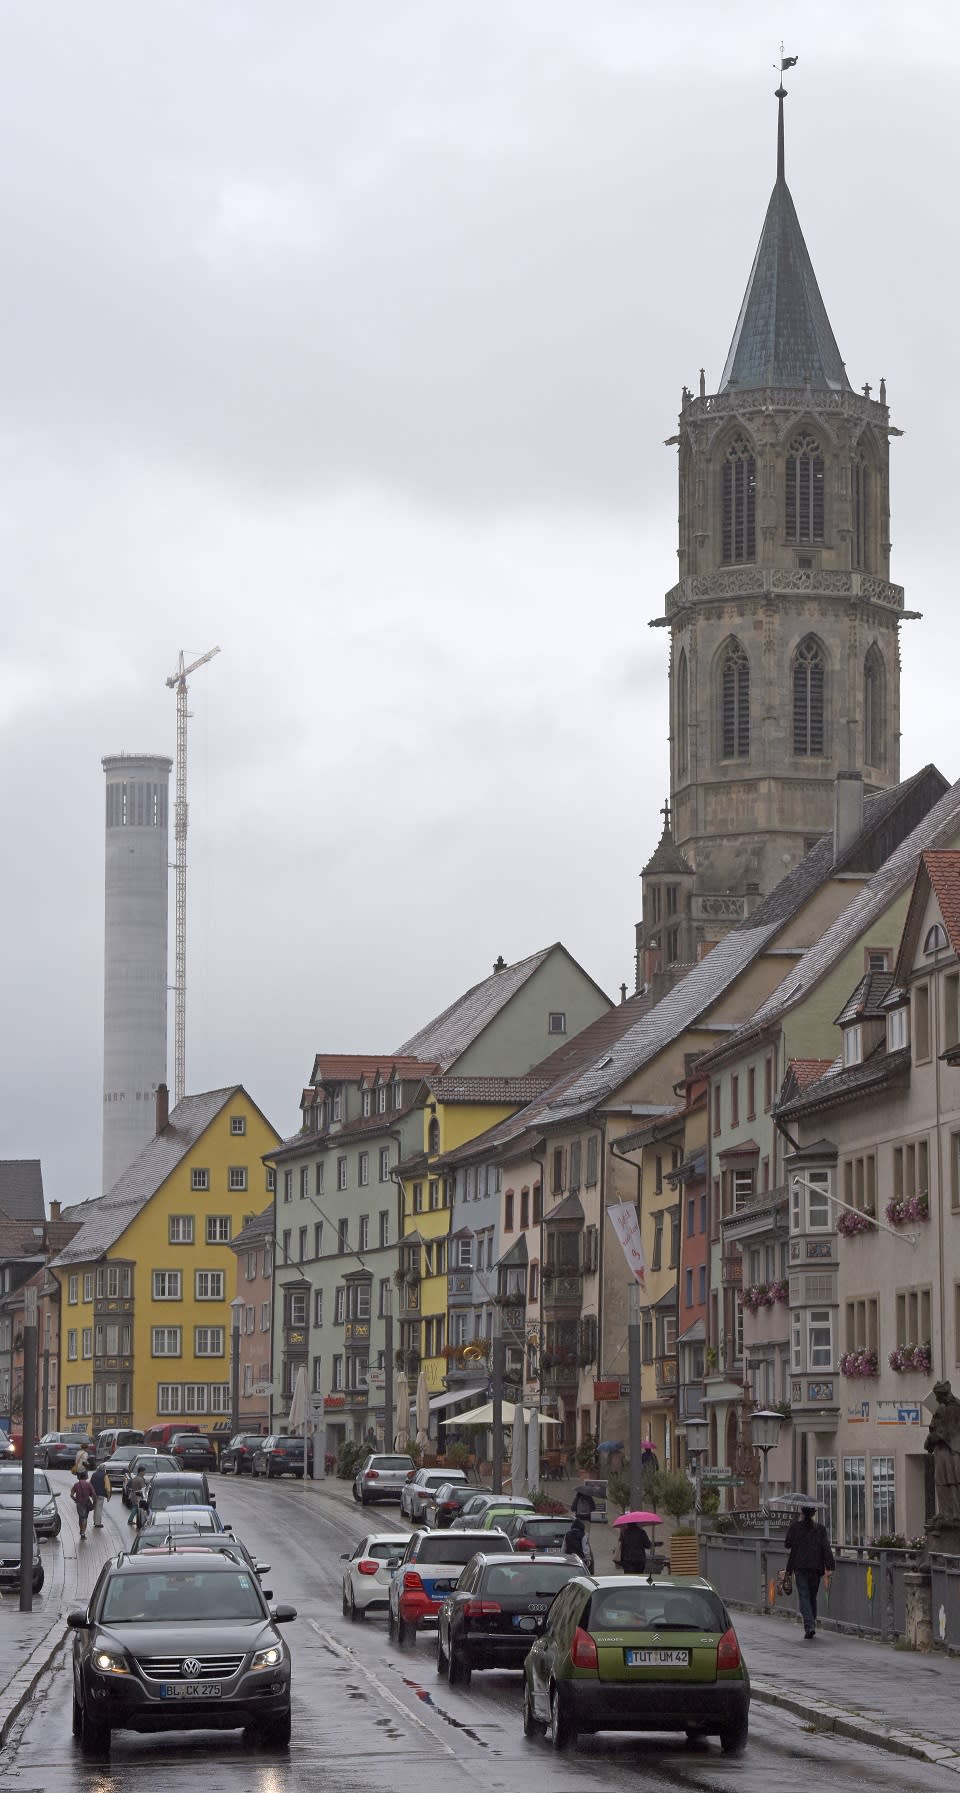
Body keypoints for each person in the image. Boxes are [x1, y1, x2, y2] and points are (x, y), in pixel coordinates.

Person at [784, 1502, 835, 1639]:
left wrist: (793, 1530)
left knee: (804, 1596)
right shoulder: (820, 1529)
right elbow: (826, 1548)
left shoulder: (795, 1527)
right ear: (813, 1514)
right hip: (816, 1567)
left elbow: (787, 1544)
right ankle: (811, 1623)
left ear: (802, 1512)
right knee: (812, 1596)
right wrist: (830, 1567)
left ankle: (810, 1625)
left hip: (800, 1566)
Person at [924, 1381, 960, 1523]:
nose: (936, 1399)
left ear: (941, 1395)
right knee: (954, 1482)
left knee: (944, 1481)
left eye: (937, 1397)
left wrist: (929, 1442)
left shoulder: (944, 1409)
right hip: (955, 1450)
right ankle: (952, 1512)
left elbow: (937, 1430)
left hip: (946, 1451)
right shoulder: (956, 1406)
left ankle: (948, 1513)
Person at [70, 1468, 95, 1540]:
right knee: (85, 1518)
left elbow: (71, 1495)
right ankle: (83, 1533)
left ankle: (81, 1530)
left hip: (79, 1504)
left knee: (81, 1517)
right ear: (85, 1476)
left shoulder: (76, 1485)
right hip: (86, 1503)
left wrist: (75, 1499)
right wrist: (94, 1503)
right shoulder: (88, 1484)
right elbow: (93, 1495)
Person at [89, 1461, 111, 1529]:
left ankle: (95, 1521)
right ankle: (98, 1523)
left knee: (95, 1508)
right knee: (99, 1508)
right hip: (101, 1495)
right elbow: (107, 1487)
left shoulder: (94, 1474)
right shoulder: (105, 1475)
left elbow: (90, 1483)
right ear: (104, 1469)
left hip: (94, 1494)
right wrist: (108, 1496)